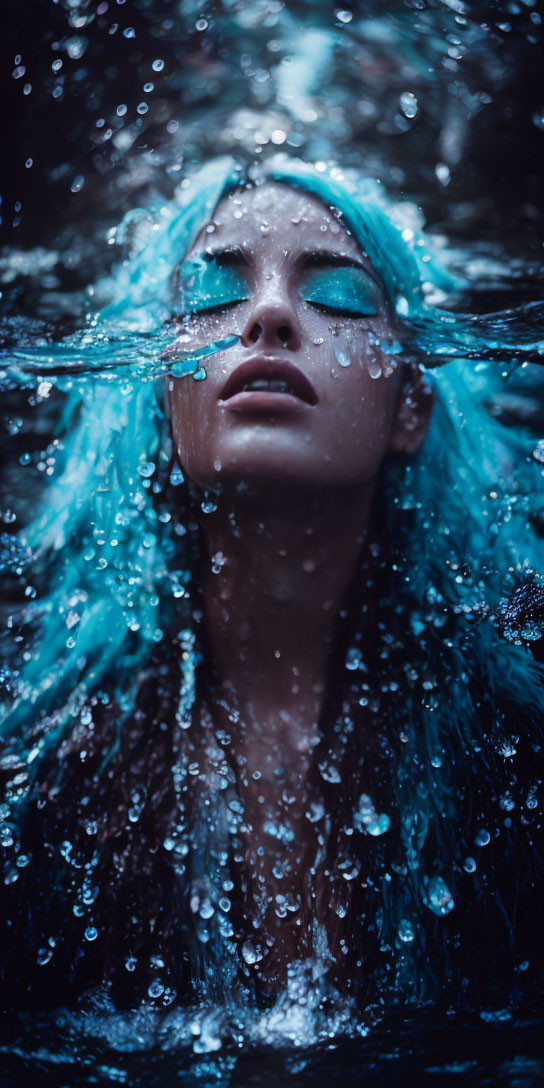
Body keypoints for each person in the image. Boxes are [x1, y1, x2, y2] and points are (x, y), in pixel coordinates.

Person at [0, 157, 542, 1018]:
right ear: (162, 392)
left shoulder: (518, 761)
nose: (269, 315)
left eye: (342, 297)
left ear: (411, 406)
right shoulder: (52, 781)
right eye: (214, 292)